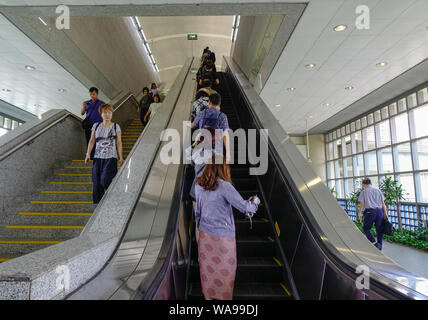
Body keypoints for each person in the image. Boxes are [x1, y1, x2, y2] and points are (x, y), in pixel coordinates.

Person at [195, 154, 260, 300]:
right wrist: (255, 202)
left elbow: (197, 213)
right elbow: (245, 208)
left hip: (205, 238)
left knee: (208, 280)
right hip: (223, 240)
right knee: (224, 279)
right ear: (223, 167)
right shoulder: (225, 186)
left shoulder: (198, 185)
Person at [85, 104, 124, 204]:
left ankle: (114, 196)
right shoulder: (96, 126)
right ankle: (98, 206)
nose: (107, 115)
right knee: (96, 183)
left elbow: (119, 142)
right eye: (105, 112)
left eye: (109, 113)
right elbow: (92, 141)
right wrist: (88, 154)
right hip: (98, 157)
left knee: (105, 179)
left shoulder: (116, 126)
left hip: (111, 157)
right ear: (101, 114)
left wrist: (121, 157)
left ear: (112, 114)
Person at [358, 178, 388, 250]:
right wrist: (385, 213)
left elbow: (361, 204)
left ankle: (374, 243)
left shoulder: (364, 192)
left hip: (370, 212)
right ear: (370, 183)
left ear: (364, 184)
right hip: (380, 211)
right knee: (379, 230)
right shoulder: (378, 190)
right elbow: (383, 203)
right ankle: (379, 247)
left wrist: (360, 214)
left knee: (366, 228)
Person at [81, 87, 105, 159]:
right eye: (91, 94)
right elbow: (82, 113)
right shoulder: (87, 103)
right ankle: (91, 156)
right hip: (89, 125)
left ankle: (99, 156)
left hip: (98, 125)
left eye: (93, 94)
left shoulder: (101, 103)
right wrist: (84, 106)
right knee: (89, 140)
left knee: (98, 140)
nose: (92, 96)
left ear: (97, 94)